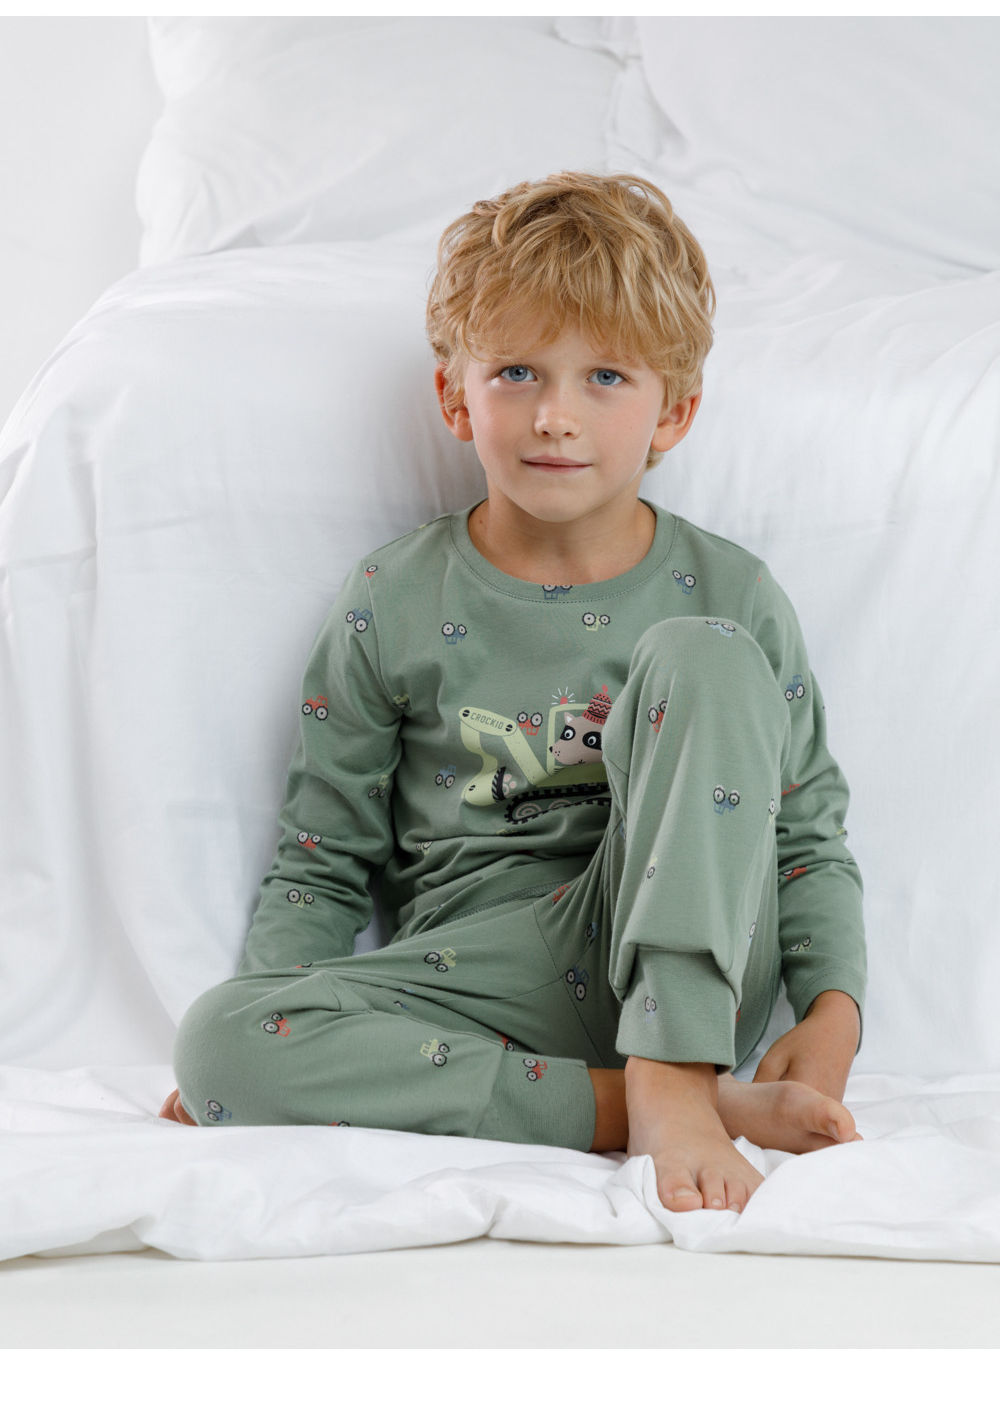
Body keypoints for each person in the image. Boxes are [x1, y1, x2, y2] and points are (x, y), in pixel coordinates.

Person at [161, 171, 866, 1215]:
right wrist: (270, 1017)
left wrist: (831, 1013)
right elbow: (322, 859)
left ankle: (676, 1067)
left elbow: (803, 840)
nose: (555, 416)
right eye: (518, 372)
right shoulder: (392, 597)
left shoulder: (733, 594)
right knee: (219, 1039)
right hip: (481, 979)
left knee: (707, 656)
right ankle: (643, 1105)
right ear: (457, 397)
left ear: (674, 412)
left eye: (605, 377)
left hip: (694, 958)